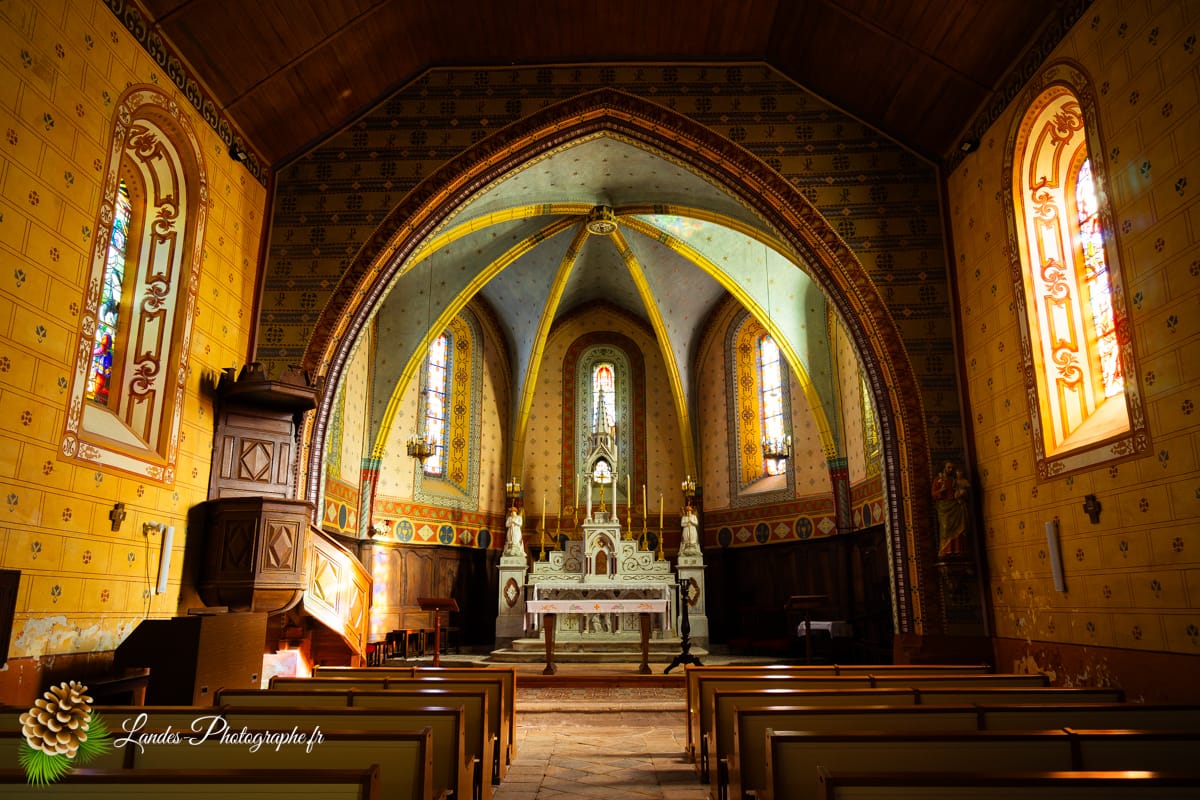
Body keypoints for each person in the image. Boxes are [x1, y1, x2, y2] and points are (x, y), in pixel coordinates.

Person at [932, 461, 969, 557]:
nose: (950, 470)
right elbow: (933, 494)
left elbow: (961, 491)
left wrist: (961, 494)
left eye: (952, 468)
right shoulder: (938, 480)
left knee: (959, 528)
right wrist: (941, 490)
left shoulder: (955, 480)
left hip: (955, 506)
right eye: (949, 467)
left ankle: (958, 551)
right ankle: (945, 550)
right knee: (945, 528)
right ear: (944, 468)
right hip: (944, 508)